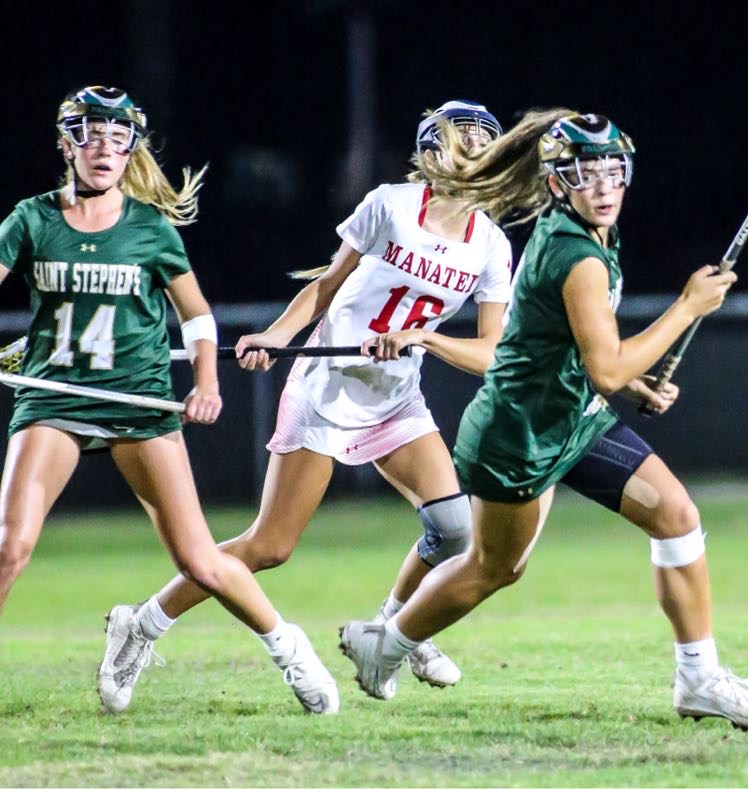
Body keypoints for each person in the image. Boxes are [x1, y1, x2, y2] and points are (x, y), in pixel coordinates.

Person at [339, 111, 748, 730]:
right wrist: (686, 308)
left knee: (677, 517)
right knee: (495, 569)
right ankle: (383, 644)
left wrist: (634, 383)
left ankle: (699, 677)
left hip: (576, 419)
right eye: (585, 174)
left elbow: (576, 350)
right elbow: (604, 367)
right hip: (519, 437)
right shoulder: (578, 256)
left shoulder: (587, 234)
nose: (604, 187)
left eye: (613, 172)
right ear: (556, 183)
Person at [99, 99, 514, 704]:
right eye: (462, 138)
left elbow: (490, 352)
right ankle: (140, 623)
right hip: (327, 389)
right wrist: (276, 336)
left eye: (485, 141)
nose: (475, 150)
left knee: (453, 530)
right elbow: (325, 286)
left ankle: (393, 630)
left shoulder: (493, 247)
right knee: (269, 547)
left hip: (396, 400)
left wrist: (422, 337)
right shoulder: (390, 205)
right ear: (430, 152)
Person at [0, 86, 338, 714]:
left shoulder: (150, 229)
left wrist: (207, 384)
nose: (103, 148)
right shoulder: (31, 219)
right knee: (9, 545)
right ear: (65, 142)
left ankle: (289, 649)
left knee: (199, 559)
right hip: (55, 401)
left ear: (132, 149)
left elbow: (199, 319)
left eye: (117, 137)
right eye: (89, 134)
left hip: (139, 401)